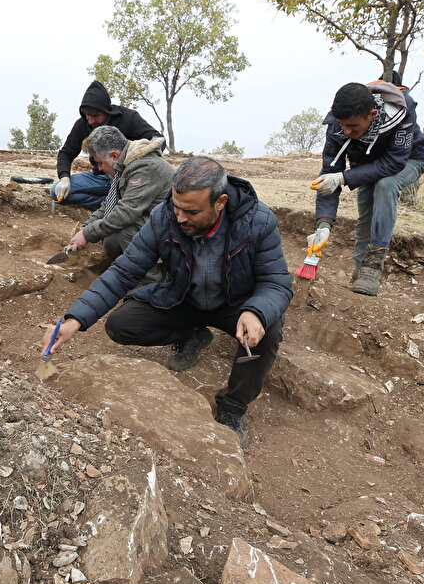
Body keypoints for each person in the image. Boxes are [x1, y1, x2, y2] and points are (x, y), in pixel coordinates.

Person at [42, 157, 293, 449]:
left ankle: (233, 407)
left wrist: (255, 311)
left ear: (220, 202)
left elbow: (276, 282)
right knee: (122, 324)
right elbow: (125, 270)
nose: (181, 217)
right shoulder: (165, 217)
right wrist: (75, 318)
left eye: (191, 211)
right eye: (176, 207)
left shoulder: (258, 220)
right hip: (184, 297)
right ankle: (193, 333)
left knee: (268, 329)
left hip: (236, 306)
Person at [309, 80, 424, 297]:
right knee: (366, 211)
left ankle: (373, 266)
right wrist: (324, 223)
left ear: (372, 114)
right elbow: (330, 171)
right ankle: (360, 272)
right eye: (342, 125)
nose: (346, 131)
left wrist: (344, 178)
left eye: (353, 127)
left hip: (408, 160)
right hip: (366, 164)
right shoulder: (338, 125)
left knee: (385, 185)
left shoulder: (401, 115)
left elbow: (394, 163)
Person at [65, 126, 173, 260]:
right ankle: (125, 267)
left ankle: (151, 278)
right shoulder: (125, 165)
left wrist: (87, 234)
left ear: (114, 156)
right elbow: (109, 204)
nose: (100, 169)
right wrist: (85, 227)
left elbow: (126, 212)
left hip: (172, 233)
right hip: (154, 221)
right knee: (110, 239)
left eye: (100, 163)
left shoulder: (146, 167)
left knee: (125, 233)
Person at [52, 80, 162, 208]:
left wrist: (135, 160)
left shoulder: (128, 117)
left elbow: (157, 140)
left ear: (107, 111)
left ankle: (118, 201)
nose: (91, 120)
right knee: (55, 191)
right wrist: (64, 177)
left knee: (143, 200)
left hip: (127, 178)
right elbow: (66, 152)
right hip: (100, 178)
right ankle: (108, 202)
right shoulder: (82, 124)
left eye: (95, 115)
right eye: (87, 115)